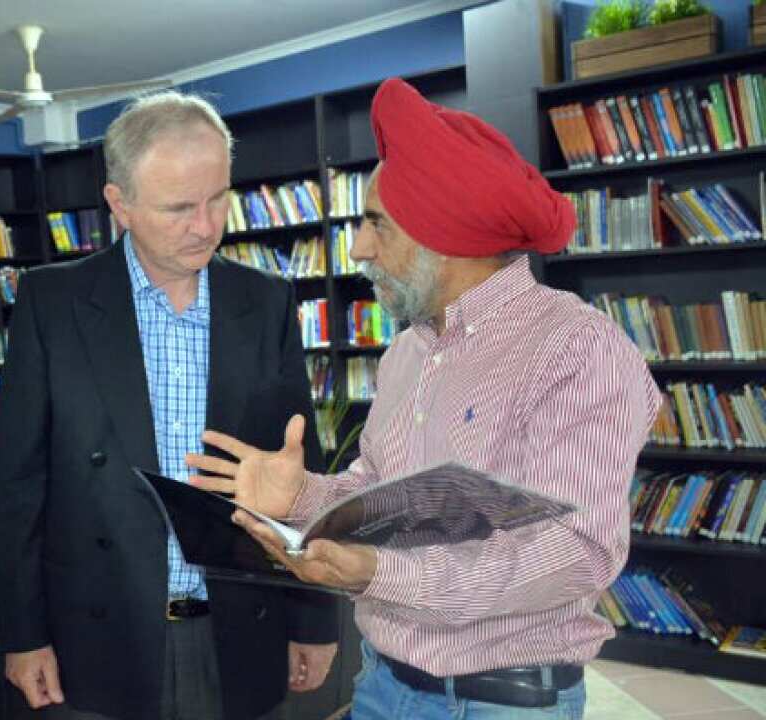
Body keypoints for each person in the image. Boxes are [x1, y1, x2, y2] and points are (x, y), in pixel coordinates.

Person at [187, 78, 662, 720]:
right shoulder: (407, 352)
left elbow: (573, 554)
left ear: (447, 230)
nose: (357, 248)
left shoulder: (575, 348)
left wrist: (375, 573)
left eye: (375, 223)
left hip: (499, 703)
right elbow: (381, 494)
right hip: (383, 684)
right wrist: (303, 496)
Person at [0, 91, 340, 720]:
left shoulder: (266, 303)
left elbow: (300, 472)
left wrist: (313, 618)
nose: (205, 226)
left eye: (217, 198)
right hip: (97, 634)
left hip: (239, 625)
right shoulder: (52, 304)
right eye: (178, 207)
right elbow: (18, 487)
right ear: (119, 204)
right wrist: (23, 634)